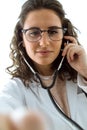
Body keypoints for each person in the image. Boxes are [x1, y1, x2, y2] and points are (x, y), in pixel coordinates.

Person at [0, 0, 87, 129]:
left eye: (52, 32)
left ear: (64, 36)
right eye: (34, 33)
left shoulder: (81, 76)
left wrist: (85, 70)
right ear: (22, 39)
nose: (44, 43)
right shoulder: (15, 90)